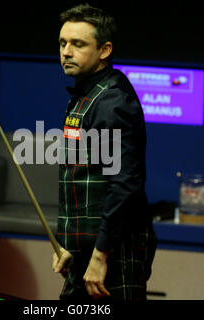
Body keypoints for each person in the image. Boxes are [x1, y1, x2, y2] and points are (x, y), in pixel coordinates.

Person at [52, 4, 157, 301]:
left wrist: (100, 255)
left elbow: (124, 184)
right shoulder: (85, 94)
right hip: (90, 248)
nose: (66, 51)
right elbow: (82, 176)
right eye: (63, 43)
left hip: (114, 250)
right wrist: (68, 245)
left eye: (78, 44)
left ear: (104, 49)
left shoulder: (112, 102)